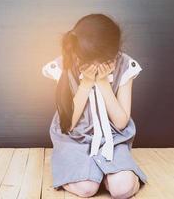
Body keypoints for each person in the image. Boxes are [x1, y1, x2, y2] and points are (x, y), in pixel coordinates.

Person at [42, 14, 148, 198]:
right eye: (90, 62)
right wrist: (86, 83)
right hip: (74, 137)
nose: (98, 66)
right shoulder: (63, 66)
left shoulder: (125, 65)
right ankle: (91, 174)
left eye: (106, 61)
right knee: (86, 189)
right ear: (77, 54)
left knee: (122, 190)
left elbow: (121, 122)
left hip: (112, 139)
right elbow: (69, 123)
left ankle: (109, 173)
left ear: (116, 51)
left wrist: (103, 84)